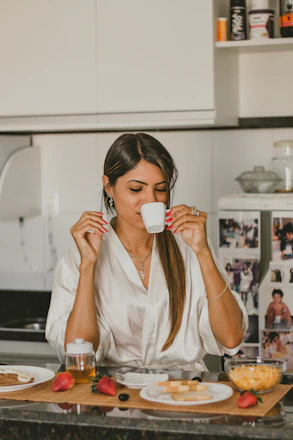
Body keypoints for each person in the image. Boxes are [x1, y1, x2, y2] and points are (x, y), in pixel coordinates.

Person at [46, 133, 247, 371]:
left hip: (182, 397)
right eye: (136, 189)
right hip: (113, 399)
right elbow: (79, 355)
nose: (150, 201)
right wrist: (88, 266)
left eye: (160, 189)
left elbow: (231, 338)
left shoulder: (190, 246)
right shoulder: (83, 254)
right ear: (109, 187)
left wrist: (202, 252)